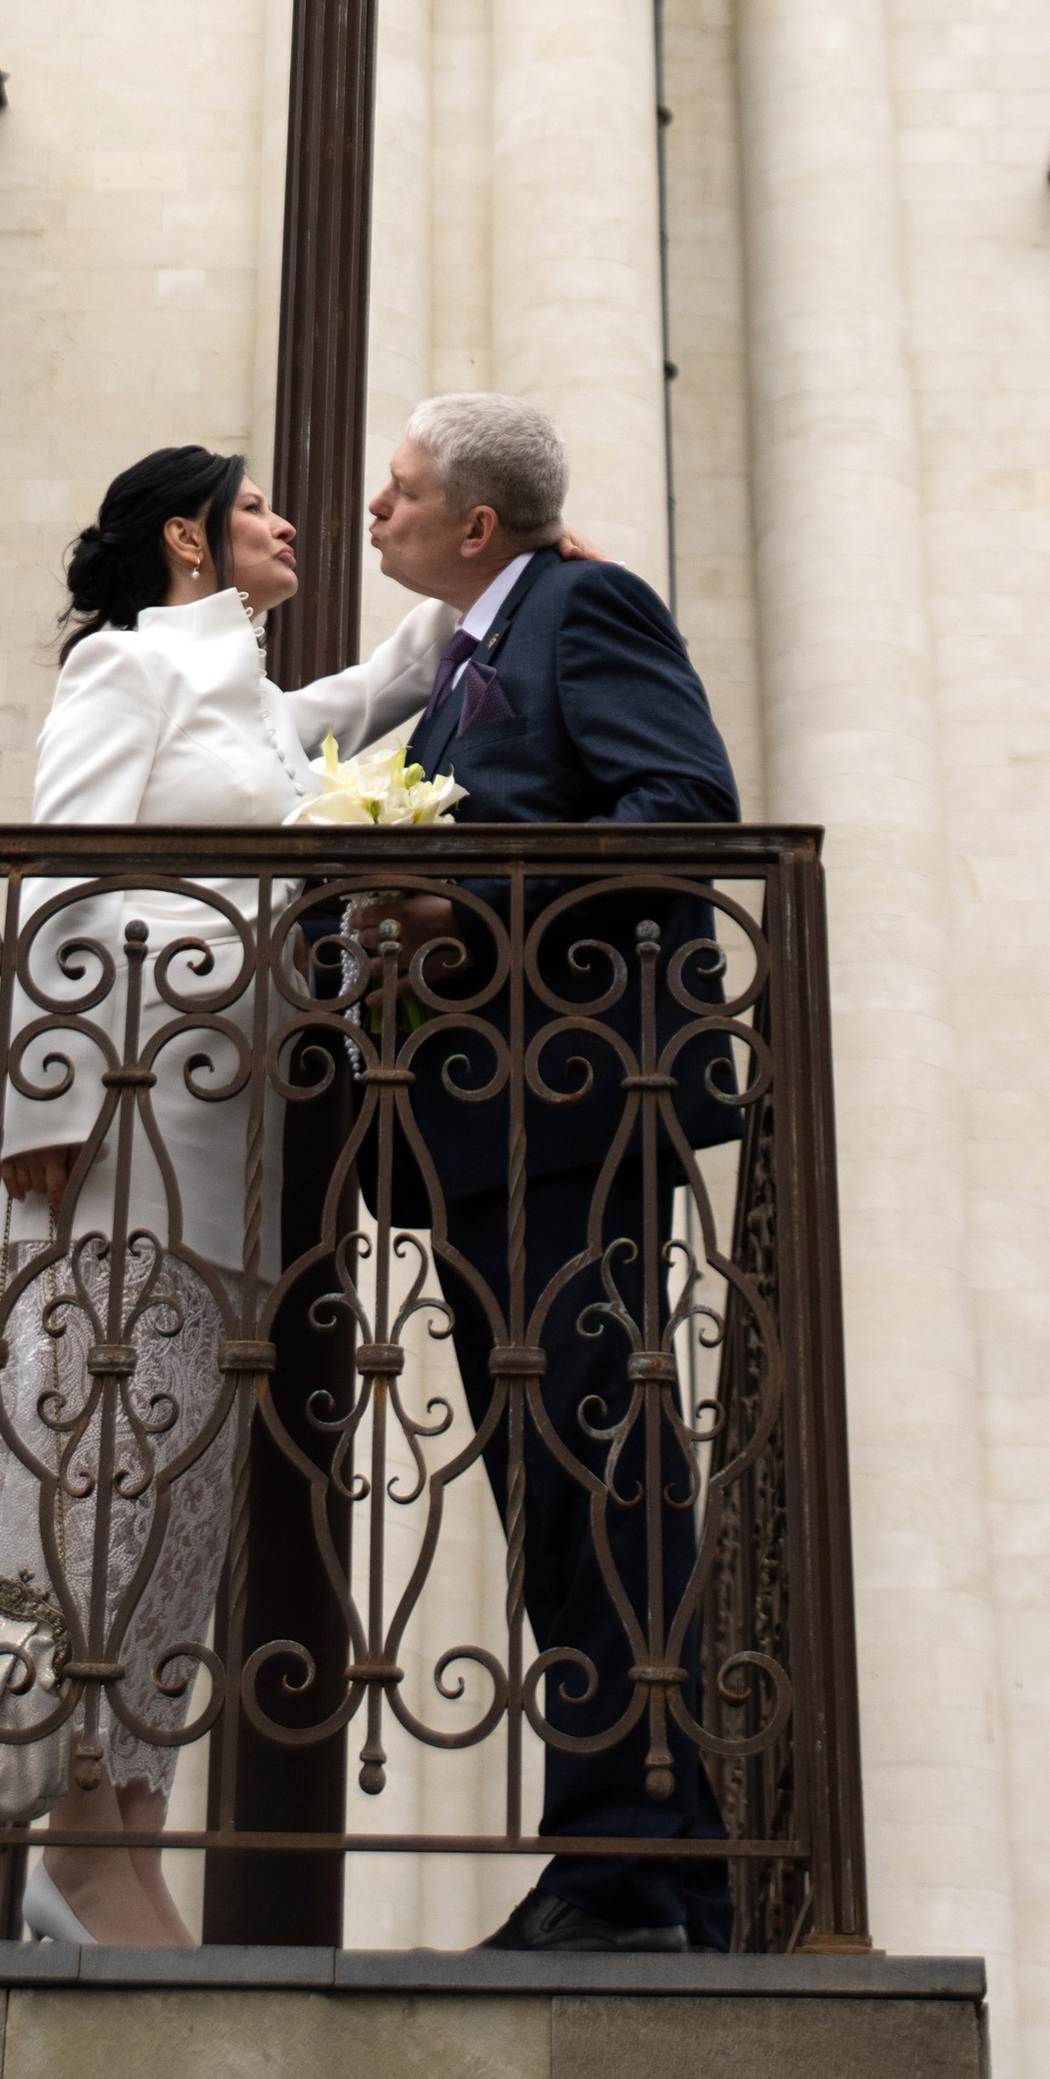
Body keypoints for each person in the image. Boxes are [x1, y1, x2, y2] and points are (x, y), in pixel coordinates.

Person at [0, 444, 444, 1949]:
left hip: (232, 1137)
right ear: (188, 536)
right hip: (119, 1118)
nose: (284, 522)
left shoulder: (244, 697)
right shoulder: (127, 667)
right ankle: (68, 1832)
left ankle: (131, 1834)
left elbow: (360, 702)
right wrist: (45, 1095)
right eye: (253, 506)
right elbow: (64, 869)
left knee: (183, 1495)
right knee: (106, 1466)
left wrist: (493, 578)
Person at [368, 394, 741, 1956]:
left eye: (401, 493)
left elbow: (683, 810)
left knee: (600, 1472)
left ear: (475, 523)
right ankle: (647, 1859)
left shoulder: (586, 606)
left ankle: (633, 1863)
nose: (376, 512)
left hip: (576, 1099)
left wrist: (474, 913)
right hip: (481, 1127)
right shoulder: (460, 672)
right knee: (551, 1485)